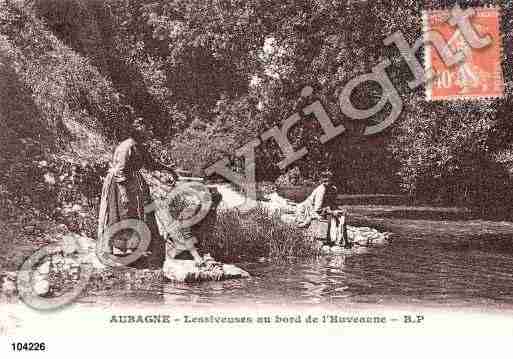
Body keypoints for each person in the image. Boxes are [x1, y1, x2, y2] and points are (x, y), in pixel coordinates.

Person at [97, 111, 178, 269]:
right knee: (120, 213)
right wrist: (124, 194)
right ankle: (116, 251)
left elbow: (151, 163)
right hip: (119, 184)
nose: (148, 134)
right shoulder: (126, 147)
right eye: (146, 131)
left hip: (132, 182)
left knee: (135, 214)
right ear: (138, 132)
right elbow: (120, 171)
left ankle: (131, 249)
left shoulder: (139, 147)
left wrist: (169, 170)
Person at [295, 170, 349, 247]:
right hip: (307, 210)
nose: (326, 183)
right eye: (324, 180)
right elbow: (317, 209)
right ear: (321, 180)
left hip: (321, 209)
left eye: (328, 180)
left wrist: (340, 210)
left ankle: (340, 240)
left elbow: (332, 204)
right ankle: (329, 239)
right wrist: (332, 212)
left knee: (340, 216)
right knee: (328, 217)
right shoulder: (321, 190)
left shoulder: (333, 189)